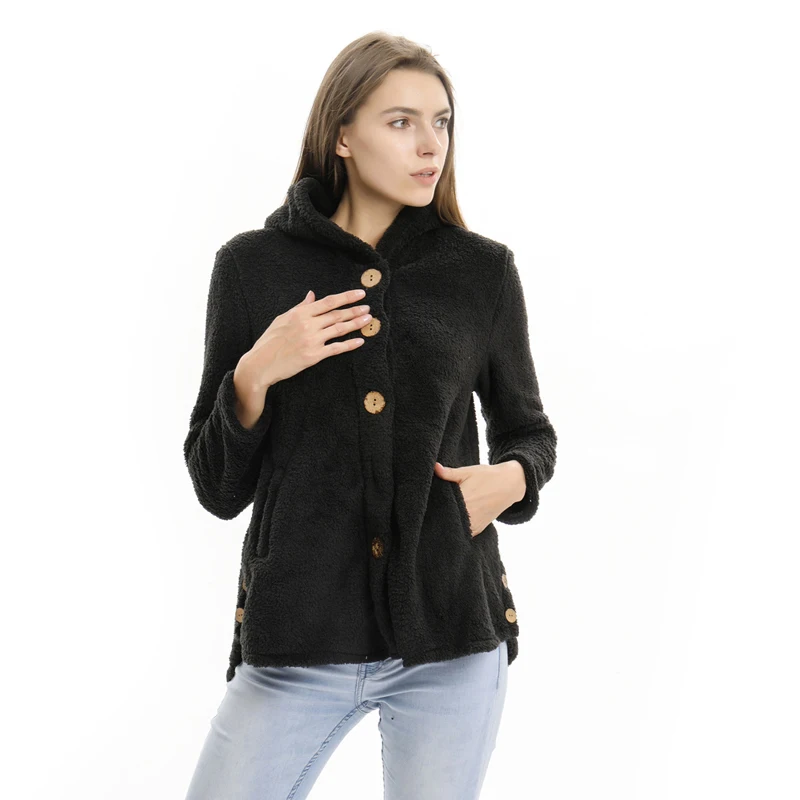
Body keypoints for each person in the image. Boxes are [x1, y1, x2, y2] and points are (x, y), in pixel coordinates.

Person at [183, 30, 558, 800]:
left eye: (441, 122)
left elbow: (531, 434)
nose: (430, 144)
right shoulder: (252, 268)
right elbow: (217, 487)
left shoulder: (482, 272)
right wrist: (255, 373)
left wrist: (511, 480)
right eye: (401, 121)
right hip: (297, 638)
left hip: (450, 635)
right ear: (343, 135)